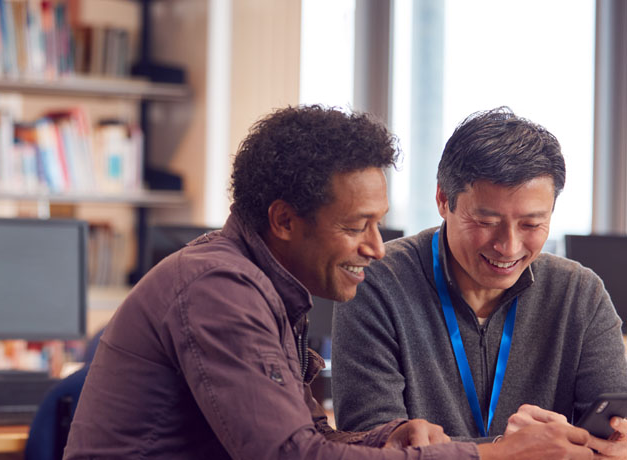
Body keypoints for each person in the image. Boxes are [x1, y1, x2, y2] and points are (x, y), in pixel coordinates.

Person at [64, 105, 596, 459]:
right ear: (284, 221)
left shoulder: (264, 290)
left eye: (377, 222)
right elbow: (293, 456)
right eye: (354, 226)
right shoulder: (217, 289)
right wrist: (494, 453)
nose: (375, 247)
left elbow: (311, 435)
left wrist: (387, 435)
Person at [332, 107, 627, 456]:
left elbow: (612, 428)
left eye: (532, 224)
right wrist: (511, 450)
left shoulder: (579, 294)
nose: (509, 247)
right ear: (444, 199)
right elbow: (374, 447)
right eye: (487, 221)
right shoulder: (376, 281)